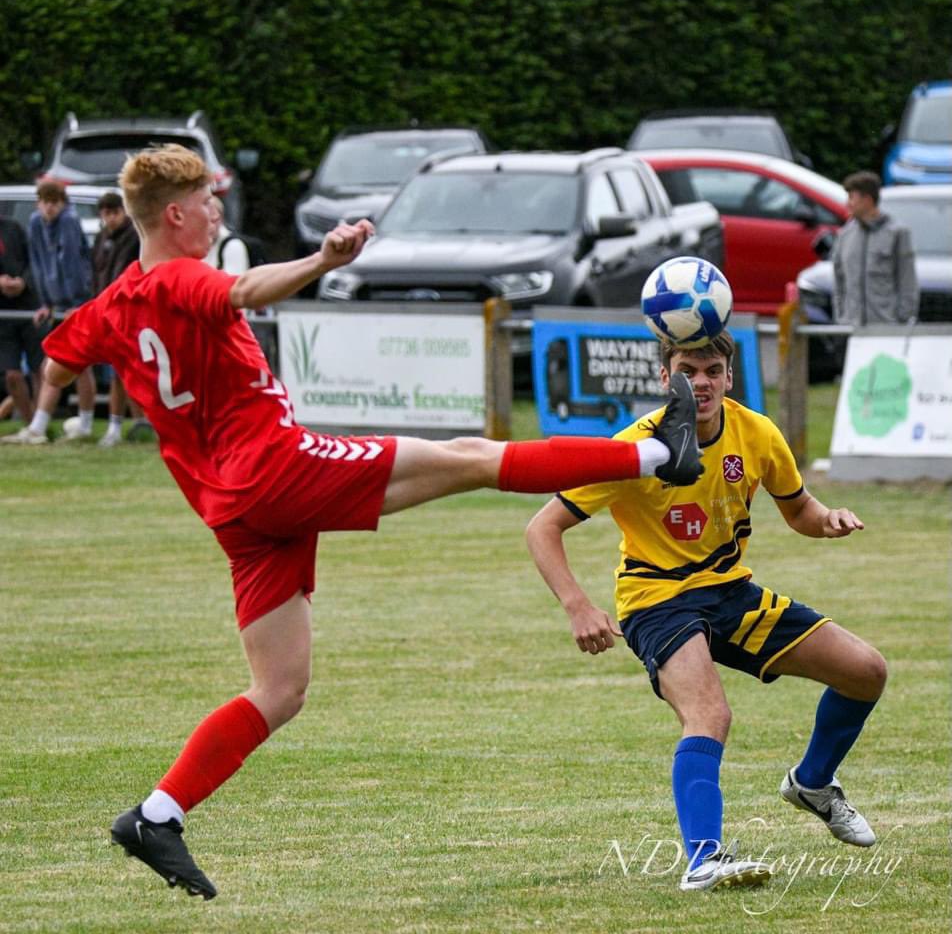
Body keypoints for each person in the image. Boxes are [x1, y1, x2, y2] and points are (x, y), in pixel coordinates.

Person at [38, 144, 705, 900]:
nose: (220, 211)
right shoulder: (185, 278)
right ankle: (660, 457)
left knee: (281, 688)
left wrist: (51, 395)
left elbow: (59, 359)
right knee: (471, 455)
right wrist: (322, 258)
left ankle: (156, 815)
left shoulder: (112, 304)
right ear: (176, 214)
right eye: (210, 201)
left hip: (232, 507)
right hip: (277, 468)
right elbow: (247, 289)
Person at [526, 331, 887, 893]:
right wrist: (578, 606)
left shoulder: (757, 432)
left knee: (866, 672)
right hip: (656, 601)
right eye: (688, 370)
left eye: (712, 370)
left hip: (730, 595)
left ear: (730, 377)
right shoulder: (637, 448)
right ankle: (704, 859)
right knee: (709, 714)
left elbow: (801, 512)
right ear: (665, 378)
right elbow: (542, 526)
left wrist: (830, 518)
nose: (701, 382)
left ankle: (813, 784)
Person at [2, 181, 95, 443]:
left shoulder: (68, 221)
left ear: (62, 203)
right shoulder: (35, 223)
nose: (49, 208)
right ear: (38, 203)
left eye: (55, 202)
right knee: (65, 363)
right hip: (55, 304)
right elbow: (39, 264)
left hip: (75, 303)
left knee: (70, 363)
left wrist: (78, 301)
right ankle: (48, 426)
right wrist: (45, 302)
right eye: (45, 202)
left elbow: (73, 265)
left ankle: (48, 427)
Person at [833, 170, 918, 326]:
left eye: (852, 197)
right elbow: (839, 281)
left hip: (885, 329)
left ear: (867, 200)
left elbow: (907, 281)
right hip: (851, 328)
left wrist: (902, 319)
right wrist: (841, 317)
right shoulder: (845, 235)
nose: (847, 204)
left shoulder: (897, 233)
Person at [90, 191, 142, 448]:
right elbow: (96, 273)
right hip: (108, 314)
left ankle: (141, 424)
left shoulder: (135, 237)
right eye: (106, 214)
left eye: (115, 212)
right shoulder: (101, 238)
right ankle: (117, 426)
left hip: (129, 315)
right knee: (118, 375)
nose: (110, 219)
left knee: (131, 374)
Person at [0, 213, 42, 425]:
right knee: (12, 375)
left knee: (39, 370)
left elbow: (33, 260)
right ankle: (29, 423)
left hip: (28, 309)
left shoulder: (14, 228)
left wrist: (23, 282)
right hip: (4, 316)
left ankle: (40, 425)